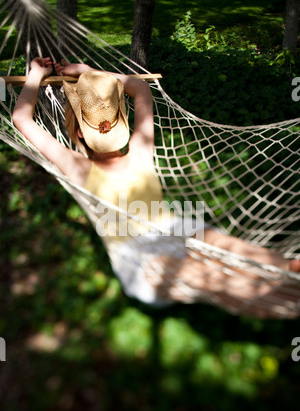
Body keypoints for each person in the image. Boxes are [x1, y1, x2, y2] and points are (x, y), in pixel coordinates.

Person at [12, 57, 300, 316]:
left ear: (77, 132)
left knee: (220, 245)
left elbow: (21, 118)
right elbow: (140, 88)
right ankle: (282, 294)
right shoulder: (138, 149)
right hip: (142, 262)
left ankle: (288, 270)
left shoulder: (81, 166)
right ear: (122, 121)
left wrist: (37, 75)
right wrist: (92, 73)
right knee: (205, 272)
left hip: (172, 230)